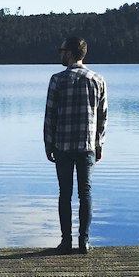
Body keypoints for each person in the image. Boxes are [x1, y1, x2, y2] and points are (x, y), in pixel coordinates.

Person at [43, 36, 108, 254]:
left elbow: (49, 116)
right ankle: (84, 241)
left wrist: (48, 144)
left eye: (62, 51)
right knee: (85, 193)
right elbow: (102, 117)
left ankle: (65, 241)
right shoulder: (98, 79)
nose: (60, 54)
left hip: (62, 146)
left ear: (70, 53)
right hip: (87, 146)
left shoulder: (57, 80)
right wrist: (99, 144)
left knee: (65, 194)